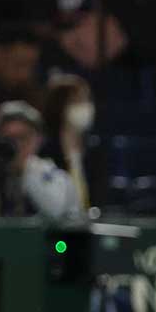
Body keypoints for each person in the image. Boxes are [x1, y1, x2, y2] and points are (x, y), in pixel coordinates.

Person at [0, 100, 80, 218]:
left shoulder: (51, 174)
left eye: (23, 137)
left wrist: (24, 168)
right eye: (9, 139)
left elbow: (54, 211)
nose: (17, 145)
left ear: (38, 139)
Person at [41, 73, 105, 210]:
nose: (85, 106)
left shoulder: (95, 150)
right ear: (60, 106)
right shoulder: (45, 150)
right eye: (77, 101)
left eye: (87, 100)